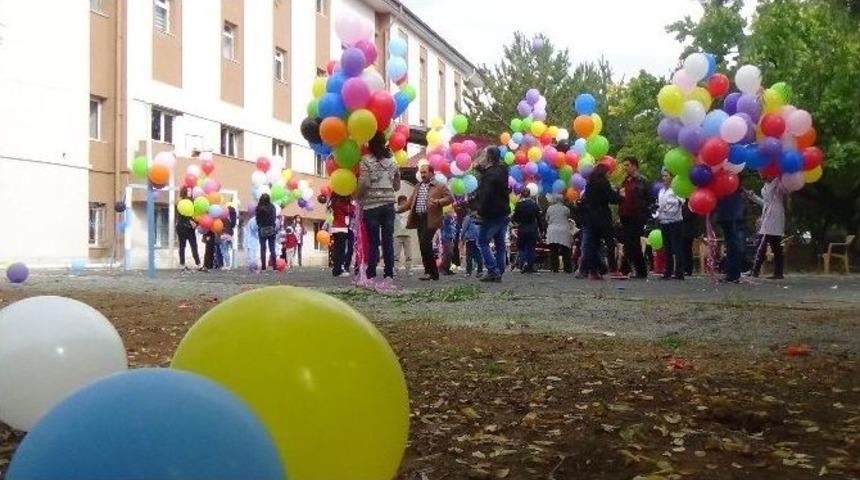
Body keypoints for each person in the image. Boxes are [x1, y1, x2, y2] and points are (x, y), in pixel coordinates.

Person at [356, 132, 401, 281]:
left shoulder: (365, 160)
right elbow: (397, 185)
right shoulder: (393, 161)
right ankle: (389, 272)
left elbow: (364, 183)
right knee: (388, 240)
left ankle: (371, 273)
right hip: (388, 205)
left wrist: (357, 196)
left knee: (373, 241)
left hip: (371, 206)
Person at [398, 162, 453, 281]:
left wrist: (438, 202)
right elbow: (409, 203)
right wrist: (397, 210)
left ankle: (431, 272)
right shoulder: (418, 186)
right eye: (421, 172)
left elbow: (449, 198)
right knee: (423, 245)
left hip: (431, 219)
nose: (422, 175)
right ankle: (431, 272)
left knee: (425, 243)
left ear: (431, 173)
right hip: (419, 219)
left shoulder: (439, 186)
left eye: (424, 172)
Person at [474, 147, 511, 283]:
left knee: (482, 242)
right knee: (500, 243)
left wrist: (480, 211)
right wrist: (483, 170)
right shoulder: (503, 170)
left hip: (490, 213)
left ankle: (492, 270)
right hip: (503, 211)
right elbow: (496, 179)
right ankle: (499, 270)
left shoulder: (488, 175)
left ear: (489, 157)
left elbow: (487, 194)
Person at [580, 164, 622, 280]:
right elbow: (611, 198)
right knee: (610, 243)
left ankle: (593, 271)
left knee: (594, 245)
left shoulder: (589, 184)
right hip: (603, 217)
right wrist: (621, 196)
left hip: (591, 218)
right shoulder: (603, 182)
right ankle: (613, 268)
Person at [618, 157, 651, 278]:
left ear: (634, 166)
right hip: (625, 215)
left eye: (627, 165)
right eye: (624, 165)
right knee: (628, 242)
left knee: (634, 242)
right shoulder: (625, 181)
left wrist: (645, 213)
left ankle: (637, 270)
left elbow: (648, 198)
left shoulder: (642, 181)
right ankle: (627, 269)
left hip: (637, 215)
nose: (625, 168)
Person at [747, 176, 786, 279]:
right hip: (767, 217)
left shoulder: (778, 183)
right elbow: (765, 203)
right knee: (765, 245)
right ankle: (756, 270)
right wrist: (753, 197)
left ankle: (758, 271)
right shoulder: (765, 185)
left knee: (769, 245)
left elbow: (784, 191)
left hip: (775, 217)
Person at [655, 169, 685, 280]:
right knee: (667, 247)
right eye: (662, 176)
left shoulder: (676, 189)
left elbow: (681, 202)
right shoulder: (661, 191)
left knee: (677, 247)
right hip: (664, 221)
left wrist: (671, 204)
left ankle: (679, 272)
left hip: (675, 221)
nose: (664, 178)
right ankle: (668, 271)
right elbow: (659, 205)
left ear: (672, 177)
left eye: (666, 176)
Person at [715, 187, 746, 283]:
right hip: (727, 213)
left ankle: (734, 274)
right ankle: (731, 273)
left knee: (733, 244)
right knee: (731, 244)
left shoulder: (731, 185)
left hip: (730, 214)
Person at [512, 188, 542, 274]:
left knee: (521, 247)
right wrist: (541, 229)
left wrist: (517, 222)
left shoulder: (519, 204)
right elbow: (539, 218)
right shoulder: (534, 204)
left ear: (522, 194)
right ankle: (530, 266)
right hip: (532, 228)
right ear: (530, 194)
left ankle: (524, 262)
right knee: (531, 248)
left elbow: (515, 218)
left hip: (522, 228)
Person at [545, 194, 573, 273]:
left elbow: (547, 219)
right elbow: (568, 217)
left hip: (552, 230)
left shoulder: (550, 208)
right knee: (566, 250)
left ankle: (554, 268)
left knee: (553, 250)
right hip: (564, 230)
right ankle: (567, 268)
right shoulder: (566, 209)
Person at [176, 187, 201, 271]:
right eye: (188, 191)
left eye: (191, 191)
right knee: (182, 246)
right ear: (185, 192)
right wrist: (190, 221)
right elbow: (181, 215)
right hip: (182, 226)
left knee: (194, 246)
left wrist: (196, 223)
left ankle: (198, 264)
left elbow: (195, 215)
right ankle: (182, 264)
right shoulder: (181, 203)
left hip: (191, 228)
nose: (190, 192)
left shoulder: (193, 202)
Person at [329, 193, 353, 277]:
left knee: (337, 250)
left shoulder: (334, 201)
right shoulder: (342, 203)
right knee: (341, 250)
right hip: (341, 228)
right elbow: (350, 211)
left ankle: (336, 269)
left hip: (336, 228)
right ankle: (338, 271)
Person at [255, 193, 278, 271]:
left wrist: (260, 226)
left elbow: (257, 219)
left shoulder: (259, 207)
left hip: (262, 229)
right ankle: (275, 266)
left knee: (263, 248)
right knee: (272, 249)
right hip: (271, 228)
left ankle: (263, 267)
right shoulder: (272, 207)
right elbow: (274, 218)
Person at [393, 195, 412, 275]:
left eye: (405, 201)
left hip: (407, 235)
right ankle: (395, 269)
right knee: (396, 254)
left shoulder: (409, 211)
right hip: (397, 235)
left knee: (408, 254)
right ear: (399, 202)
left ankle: (408, 269)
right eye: (402, 202)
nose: (404, 203)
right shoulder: (395, 210)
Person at [461, 210, 483, 276]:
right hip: (476, 239)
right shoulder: (478, 218)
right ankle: (479, 271)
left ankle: (468, 272)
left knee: (469, 256)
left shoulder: (468, 218)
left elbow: (464, 228)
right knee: (478, 255)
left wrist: (462, 237)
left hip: (470, 239)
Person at [219, 203, 237, 270]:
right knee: (226, 250)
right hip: (229, 236)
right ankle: (228, 264)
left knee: (224, 251)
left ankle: (228, 265)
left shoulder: (223, 219)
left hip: (223, 236)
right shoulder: (231, 220)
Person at [439, 206, 456, 275]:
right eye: (451, 211)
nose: (453, 212)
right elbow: (445, 222)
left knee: (450, 253)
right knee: (447, 253)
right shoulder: (445, 218)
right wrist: (447, 214)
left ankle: (447, 268)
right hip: (446, 237)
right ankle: (442, 268)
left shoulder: (451, 218)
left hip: (450, 237)